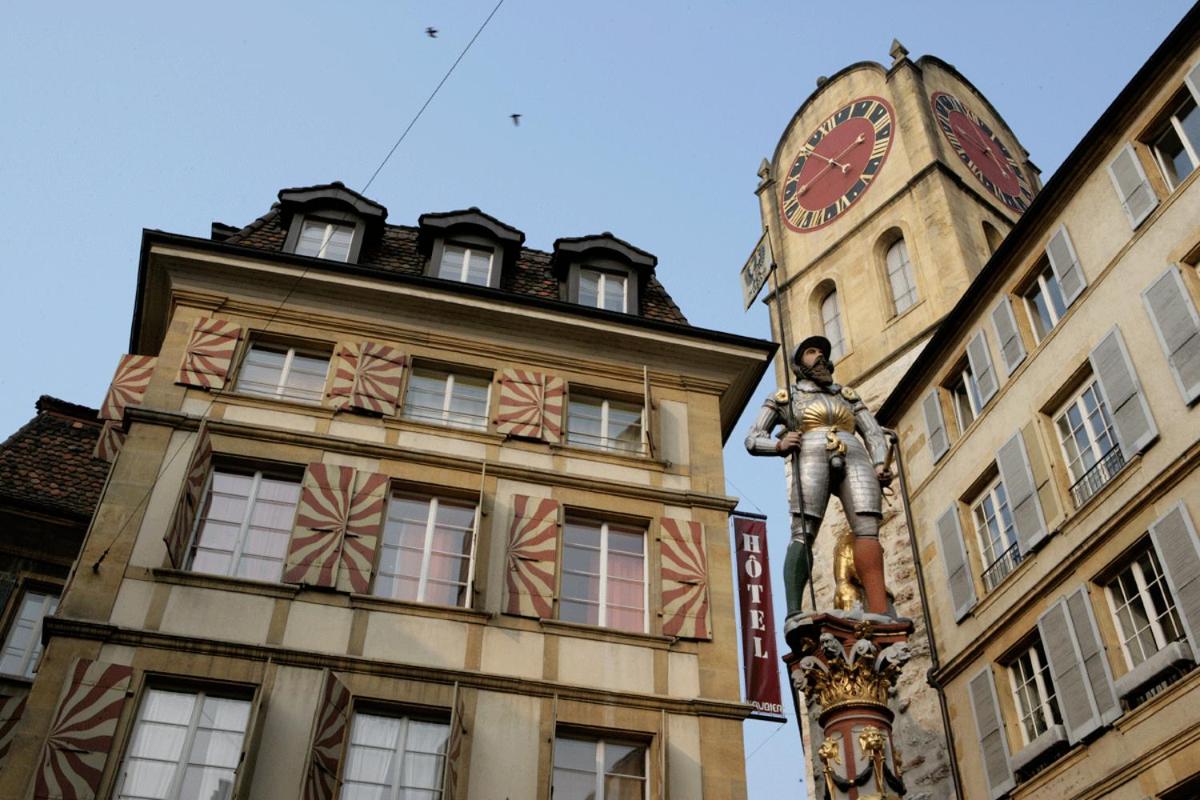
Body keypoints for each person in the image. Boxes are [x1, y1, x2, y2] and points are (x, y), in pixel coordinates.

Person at [744, 335, 892, 619]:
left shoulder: (847, 395)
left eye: (822, 351)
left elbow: (873, 432)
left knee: (867, 527)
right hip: (810, 450)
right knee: (803, 529)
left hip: (854, 452)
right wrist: (777, 445)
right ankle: (794, 611)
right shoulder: (785, 397)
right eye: (812, 352)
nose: (820, 356)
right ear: (798, 363)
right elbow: (752, 439)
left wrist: (879, 463)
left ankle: (879, 609)